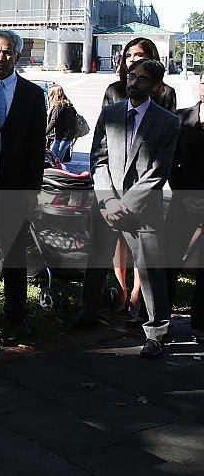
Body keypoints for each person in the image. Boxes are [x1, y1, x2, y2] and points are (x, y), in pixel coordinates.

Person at [69, 59, 179, 360]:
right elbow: (98, 159)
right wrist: (108, 200)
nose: (133, 83)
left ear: (156, 86)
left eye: (142, 79)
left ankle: (156, 330)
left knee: (150, 268)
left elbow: (158, 173)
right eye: (132, 76)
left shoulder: (168, 122)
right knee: (96, 259)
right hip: (107, 202)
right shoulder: (110, 113)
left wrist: (126, 204)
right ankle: (89, 310)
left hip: (142, 208)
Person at [101, 37, 176, 323]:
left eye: (140, 56)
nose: (133, 61)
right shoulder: (112, 99)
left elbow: (160, 160)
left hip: (144, 195)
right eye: (129, 58)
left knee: (147, 256)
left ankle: (144, 308)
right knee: (115, 243)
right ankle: (118, 292)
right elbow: (101, 150)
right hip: (113, 191)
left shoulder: (166, 106)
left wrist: (129, 200)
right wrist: (109, 196)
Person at [0, 30, 46, 336]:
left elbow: (37, 147)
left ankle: (16, 311)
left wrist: (31, 190)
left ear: (18, 56)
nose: (1, 57)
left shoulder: (33, 95)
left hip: (16, 184)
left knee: (15, 250)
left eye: (7, 52)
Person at [165, 71, 204, 343]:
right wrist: (182, 192)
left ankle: (200, 322)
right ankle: (161, 319)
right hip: (184, 200)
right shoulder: (181, 118)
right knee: (168, 261)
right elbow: (170, 161)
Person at [102, 37, 176, 111]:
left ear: (150, 58)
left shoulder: (166, 93)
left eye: (138, 55)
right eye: (128, 56)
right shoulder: (114, 90)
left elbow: (168, 121)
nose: (131, 59)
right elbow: (105, 120)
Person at [46, 85, 78, 165]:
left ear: (54, 94)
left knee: (54, 159)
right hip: (68, 136)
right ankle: (58, 170)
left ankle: (57, 172)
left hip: (60, 137)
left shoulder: (58, 107)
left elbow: (53, 121)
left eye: (50, 93)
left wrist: (44, 133)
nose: (49, 95)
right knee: (58, 158)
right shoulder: (69, 105)